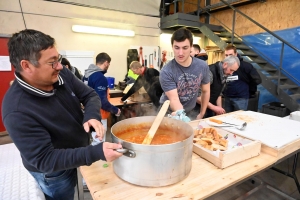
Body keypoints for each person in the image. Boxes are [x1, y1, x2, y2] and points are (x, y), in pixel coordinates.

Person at [1, 29, 123, 200]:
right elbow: (45, 159)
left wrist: (91, 115)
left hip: (76, 152)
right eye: (52, 62)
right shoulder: (17, 109)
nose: (59, 66)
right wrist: (96, 153)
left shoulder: (61, 74)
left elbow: (90, 95)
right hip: (54, 172)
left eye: (57, 59)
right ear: (26, 65)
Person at [159, 27, 211, 121]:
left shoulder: (202, 66)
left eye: (185, 48)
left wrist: (202, 113)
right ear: (172, 47)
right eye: (177, 48)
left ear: (191, 47)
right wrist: (181, 116)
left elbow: (206, 91)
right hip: (170, 112)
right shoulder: (167, 71)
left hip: (190, 111)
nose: (180, 53)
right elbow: (174, 99)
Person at [82, 52, 121, 144]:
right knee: (99, 141)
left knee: (92, 139)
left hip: (88, 112)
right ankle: (98, 157)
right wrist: (115, 110)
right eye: (109, 64)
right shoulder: (100, 77)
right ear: (106, 62)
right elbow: (101, 101)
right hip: (99, 115)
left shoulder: (87, 75)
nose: (109, 66)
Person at [223, 44, 262, 112]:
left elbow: (257, 80)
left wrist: (249, 91)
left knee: (239, 118)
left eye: (231, 55)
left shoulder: (245, 66)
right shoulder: (224, 65)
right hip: (227, 97)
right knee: (227, 118)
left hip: (240, 98)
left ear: (236, 54)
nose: (228, 57)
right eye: (226, 55)